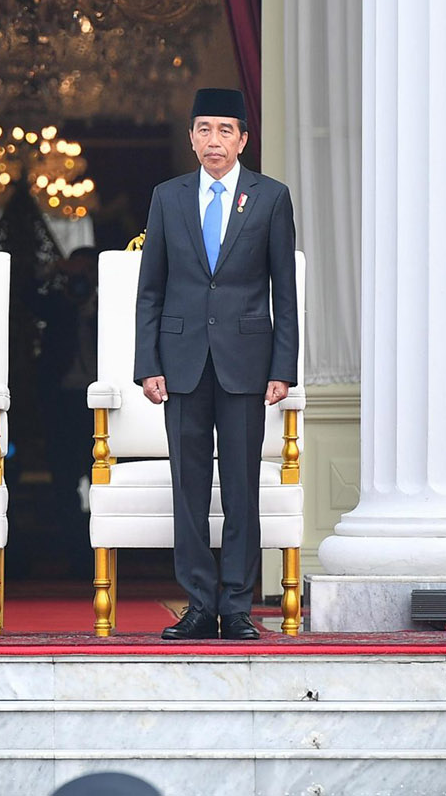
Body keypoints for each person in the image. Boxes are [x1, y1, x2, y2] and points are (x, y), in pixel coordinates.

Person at [134, 88, 299, 642]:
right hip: (180, 364)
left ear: (244, 138)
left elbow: (284, 291)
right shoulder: (167, 196)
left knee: (240, 488)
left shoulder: (270, 197)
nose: (214, 141)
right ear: (190, 136)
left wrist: (284, 366)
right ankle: (199, 606)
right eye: (204, 129)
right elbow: (150, 289)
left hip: (246, 363)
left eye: (225, 130)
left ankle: (237, 607)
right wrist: (146, 363)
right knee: (188, 489)